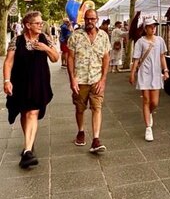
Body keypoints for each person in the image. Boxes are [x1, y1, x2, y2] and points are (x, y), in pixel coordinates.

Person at [3, 11, 59, 168]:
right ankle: (29, 144)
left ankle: (27, 150)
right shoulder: (17, 40)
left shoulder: (45, 39)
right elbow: (8, 62)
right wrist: (7, 81)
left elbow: (56, 58)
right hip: (20, 82)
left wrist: (45, 49)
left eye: (42, 23)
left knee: (33, 112)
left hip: (39, 82)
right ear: (28, 25)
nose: (41, 25)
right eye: (38, 23)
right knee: (24, 112)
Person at [67, 9, 110, 153]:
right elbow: (70, 58)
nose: (89, 21)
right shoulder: (76, 36)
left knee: (97, 107)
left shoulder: (103, 36)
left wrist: (103, 80)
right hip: (80, 79)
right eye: (87, 19)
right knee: (80, 108)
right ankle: (81, 131)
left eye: (92, 19)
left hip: (96, 79)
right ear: (84, 19)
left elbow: (106, 58)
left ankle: (96, 140)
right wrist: (72, 79)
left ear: (97, 19)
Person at [129, 18, 170, 142]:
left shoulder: (160, 40)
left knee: (155, 102)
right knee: (146, 100)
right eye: (150, 26)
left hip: (156, 73)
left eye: (154, 26)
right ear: (145, 28)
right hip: (144, 73)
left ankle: (149, 113)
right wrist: (132, 73)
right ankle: (148, 128)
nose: (153, 28)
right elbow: (136, 59)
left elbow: (162, 56)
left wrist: (166, 70)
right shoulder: (140, 42)